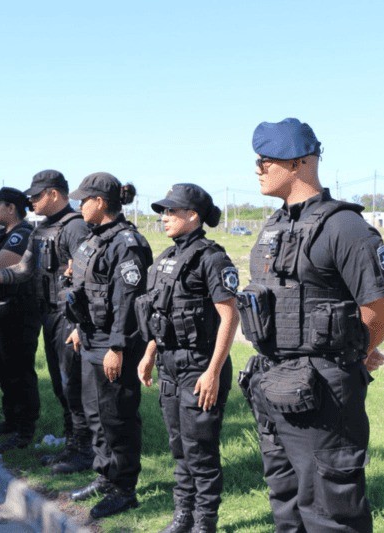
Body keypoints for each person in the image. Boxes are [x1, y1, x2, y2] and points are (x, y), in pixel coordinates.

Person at [237, 118, 384, 532]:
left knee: (330, 512)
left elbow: (380, 308)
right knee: (285, 503)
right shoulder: (274, 227)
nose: (258, 169)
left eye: (266, 160)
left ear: (300, 163)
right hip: (272, 383)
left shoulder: (343, 226)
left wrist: (354, 351)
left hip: (321, 390)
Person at [137, 184, 240, 533]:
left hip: (200, 366)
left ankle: (204, 523)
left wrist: (212, 372)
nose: (164, 218)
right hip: (169, 363)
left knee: (201, 450)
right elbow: (159, 311)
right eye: (163, 212)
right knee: (179, 447)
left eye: (171, 212)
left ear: (192, 215)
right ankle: (183, 516)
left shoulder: (212, 258)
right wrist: (150, 352)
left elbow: (230, 317)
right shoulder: (166, 257)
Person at [0, 170, 94, 473]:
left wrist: (82, 325)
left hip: (70, 316)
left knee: (72, 384)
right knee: (61, 383)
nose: (30, 201)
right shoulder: (41, 229)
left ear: (54, 194)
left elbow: (88, 280)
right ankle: (73, 444)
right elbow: (23, 269)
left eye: (36, 196)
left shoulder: (75, 227)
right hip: (49, 313)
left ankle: (84, 450)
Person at [64, 172, 153, 519]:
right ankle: (105, 476)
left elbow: (127, 302)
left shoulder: (126, 243)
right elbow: (86, 289)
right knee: (96, 415)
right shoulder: (95, 239)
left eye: (83, 200)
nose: (79, 206)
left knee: (117, 418)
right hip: (90, 338)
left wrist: (117, 347)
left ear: (99, 202)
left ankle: (124, 487)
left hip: (113, 344)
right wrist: (76, 326)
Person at [0, 187, 41, 452]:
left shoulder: (22, 234)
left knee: (19, 371)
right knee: (3, 370)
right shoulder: (1, 234)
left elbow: (4, 262)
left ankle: (24, 429)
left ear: (11, 208)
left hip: (17, 310)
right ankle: (11, 420)